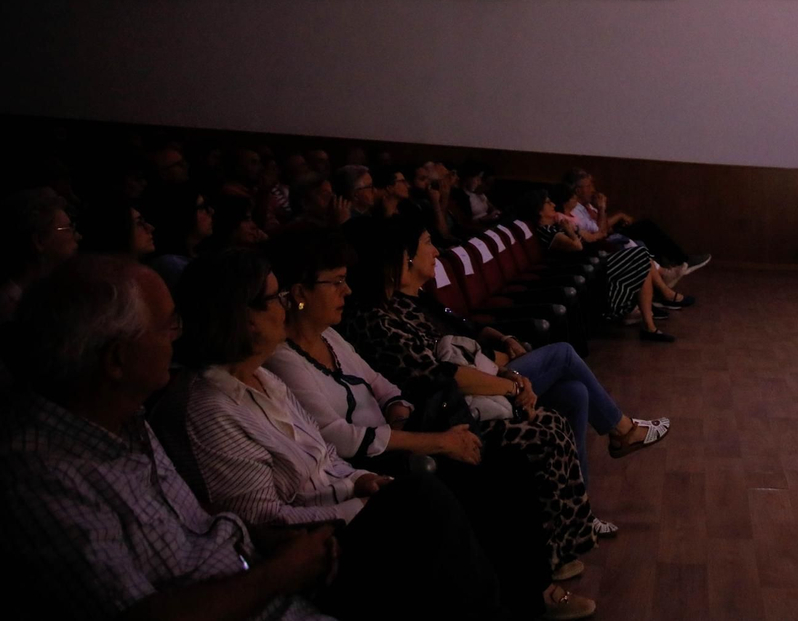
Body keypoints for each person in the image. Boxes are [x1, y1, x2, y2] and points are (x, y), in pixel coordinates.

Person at [174, 249, 557, 621]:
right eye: (274, 299)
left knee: (500, 467)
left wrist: (364, 481)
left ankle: (528, 600)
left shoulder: (264, 378)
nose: (285, 306)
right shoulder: (213, 407)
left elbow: (325, 454)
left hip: (356, 490)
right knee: (430, 499)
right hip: (320, 549)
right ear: (241, 318)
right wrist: (360, 501)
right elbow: (264, 521)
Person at [0, 256, 337, 621]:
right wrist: (276, 576)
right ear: (117, 359)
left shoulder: (124, 417)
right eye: (166, 326)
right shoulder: (41, 477)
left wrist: (264, 540)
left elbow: (187, 515)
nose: (179, 335)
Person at [340, 214, 602, 571]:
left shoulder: (413, 303)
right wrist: (511, 386)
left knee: (572, 395)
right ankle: (549, 553)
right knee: (549, 418)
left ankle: (567, 534)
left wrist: (508, 370)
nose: (436, 251)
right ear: (404, 259)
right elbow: (438, 376)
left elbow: (465, 338)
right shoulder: (375, 318)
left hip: (474, 390)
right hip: (442, 414)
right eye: (427, 243)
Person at [539, 186, 689, 343]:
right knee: (640, 255)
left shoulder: (560, 224)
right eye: (548, 203)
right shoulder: (548, 231)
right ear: (539, 211)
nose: (553, 205)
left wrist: (575, 231)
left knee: (641, 256)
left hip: (595, 261)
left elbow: (590, 237)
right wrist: (571, 231)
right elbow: (577, 246)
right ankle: (646, 314)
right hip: (584, 267)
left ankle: (649, 324)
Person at [565, 169, 710, 272]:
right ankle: (678, 262)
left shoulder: (588, 204)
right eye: (589, 186)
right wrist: (603, 209)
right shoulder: (574, 210)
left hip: (610, 234)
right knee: (645, 228)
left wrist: (616, 215)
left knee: (646, 231)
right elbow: (599, 230)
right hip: (601, 244)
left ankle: (671, 267)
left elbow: (604, 225)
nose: (593, 189)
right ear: (577, 191)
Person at [1, 189, 79, 322]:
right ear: (39, 241)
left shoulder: (49, 293)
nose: (77, 236)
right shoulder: (11, 311)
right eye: (67, 229)